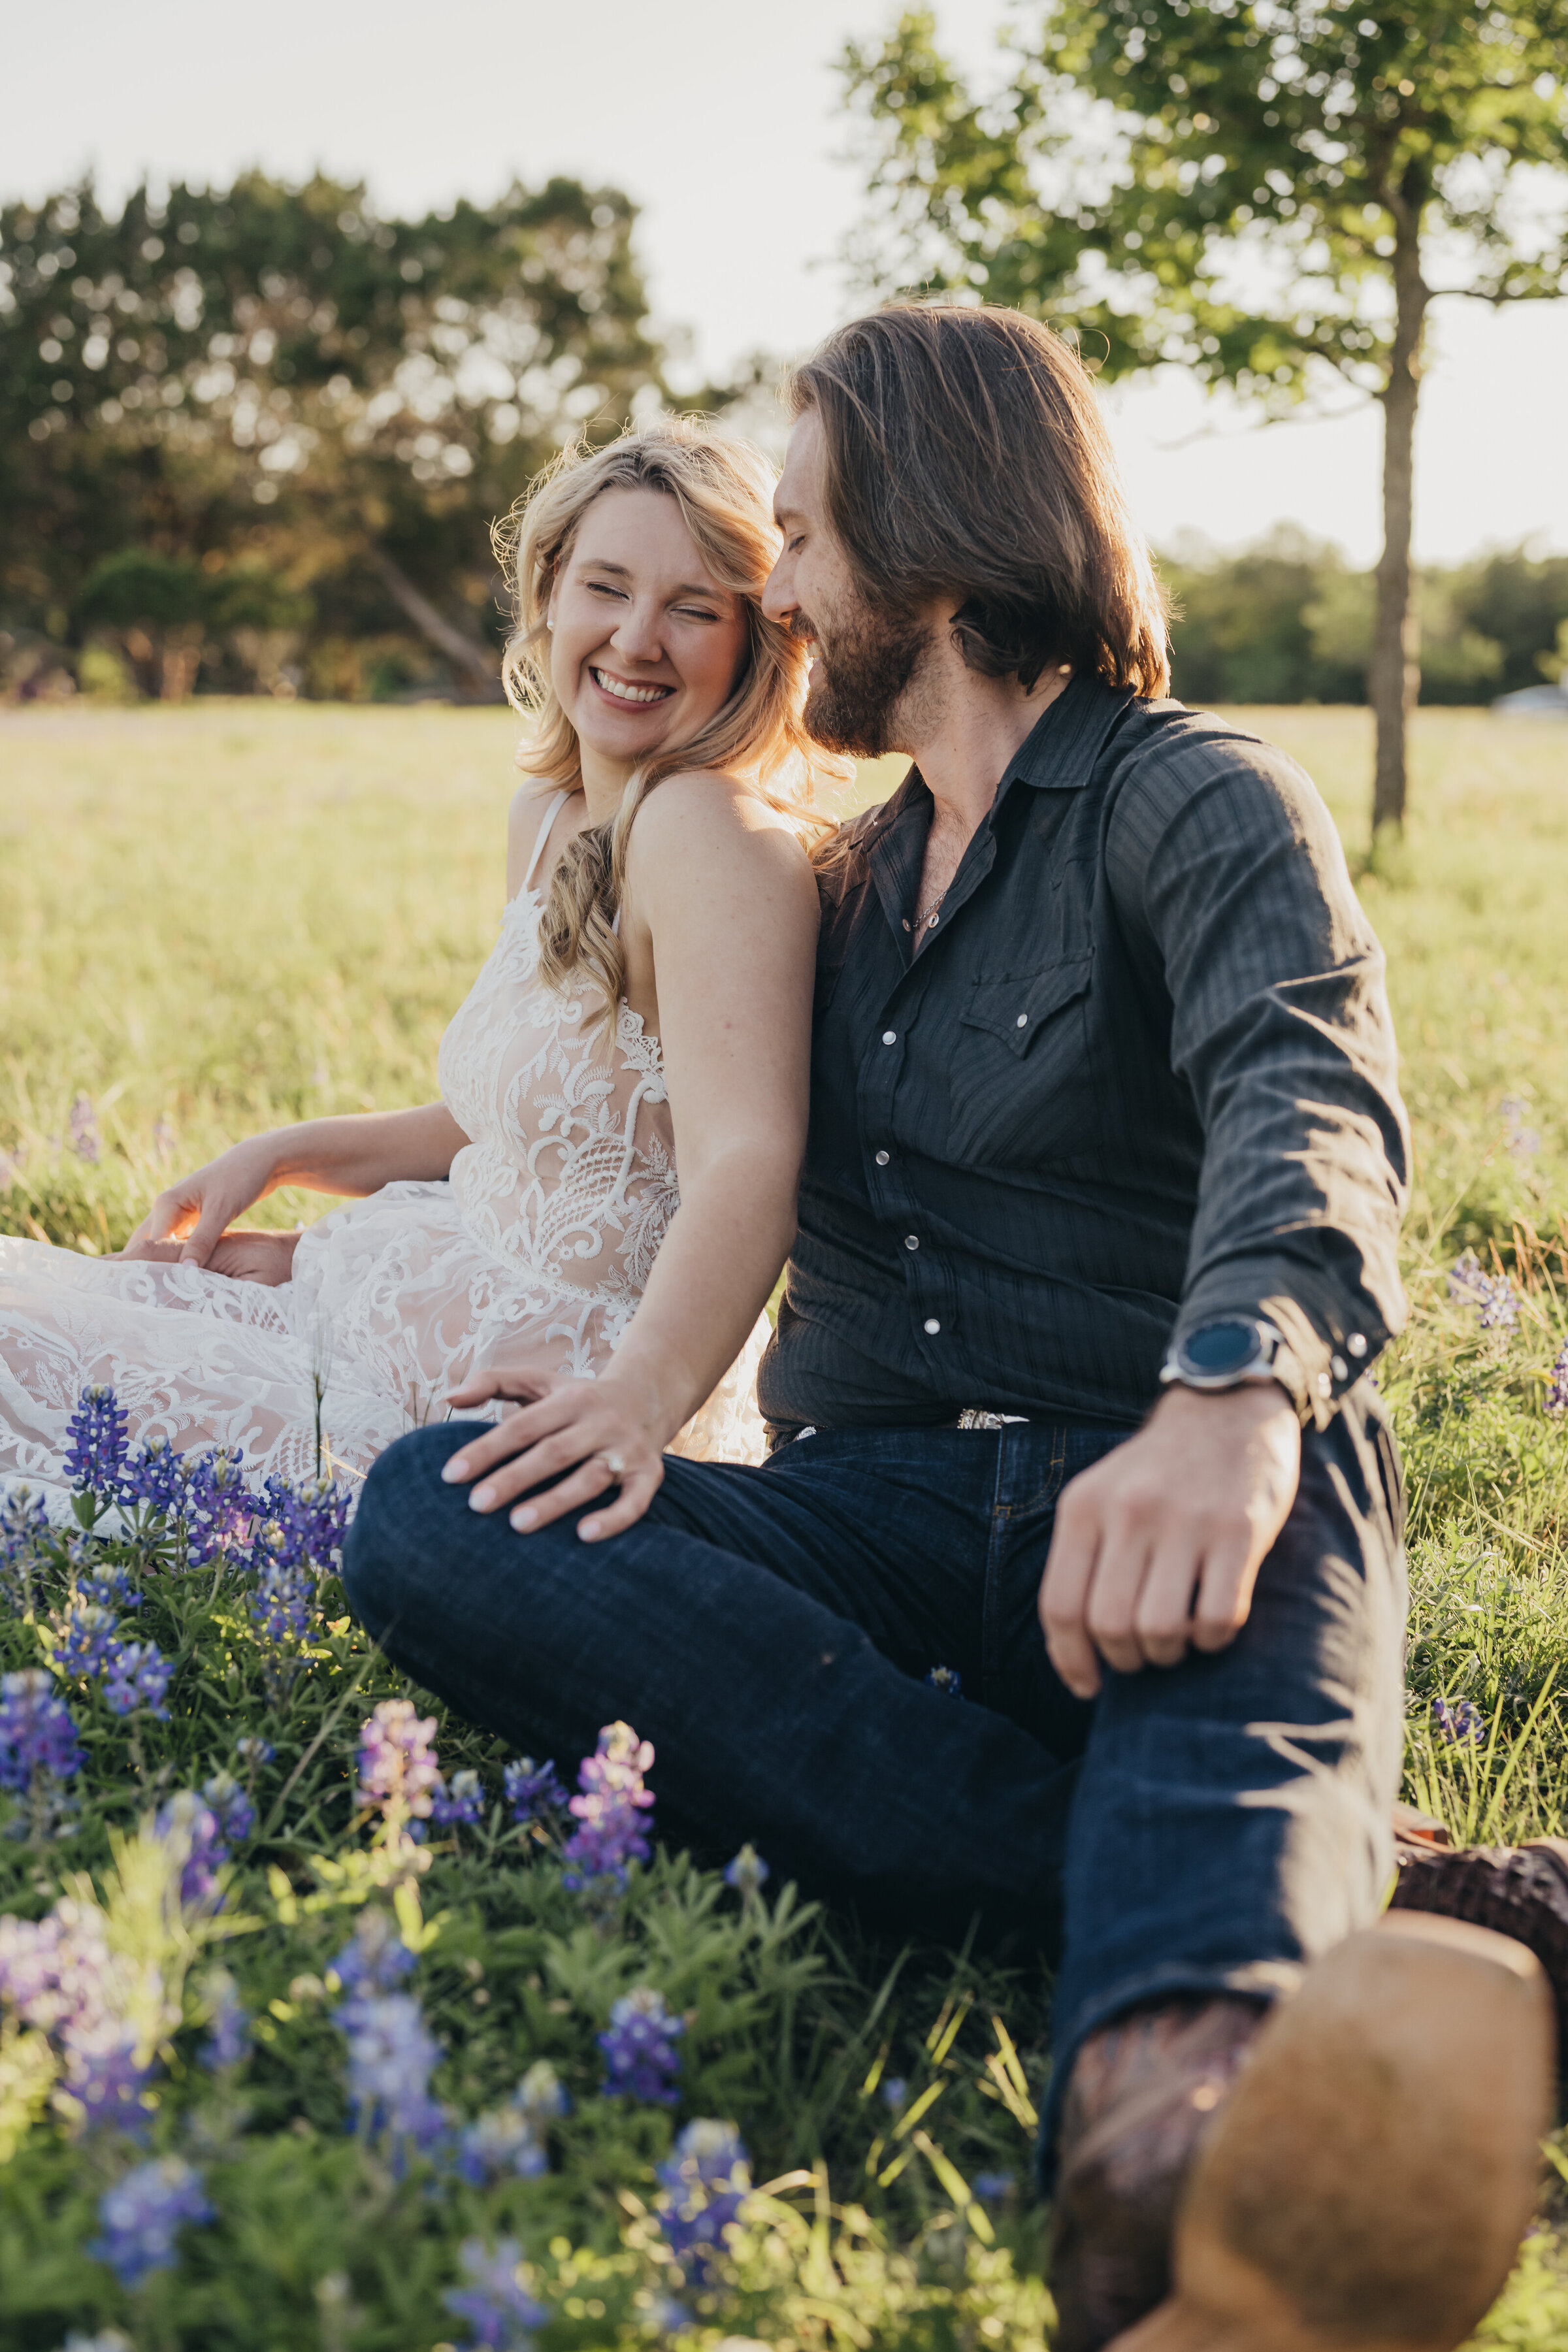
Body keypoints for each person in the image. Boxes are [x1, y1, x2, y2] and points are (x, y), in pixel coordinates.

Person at [340, 307, 1565, 2349]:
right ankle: (1367, 1899)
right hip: (879, 1506)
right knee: (433, 1515)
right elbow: (690, 1132)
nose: (782, 587)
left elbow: (1313, 1104)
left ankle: (1187, 2176)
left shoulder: (1195, 801)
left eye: (805, 533)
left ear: (933, 525)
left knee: (1217, 1648)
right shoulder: (841, 874)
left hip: (1168, 1470)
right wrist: (614, 1364)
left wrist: (1231, 1399)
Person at [0, 420, 837, 1507]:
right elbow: (543, 1119)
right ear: (548, 595)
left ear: (754, 639)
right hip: (401, 1298)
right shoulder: (550, 815)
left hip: (539, 1396)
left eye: (692, 608)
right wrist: (283, 1157)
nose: (636, 640)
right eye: (607, 587)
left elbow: (747, 1164)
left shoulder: (711, 834)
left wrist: (636, 1401)